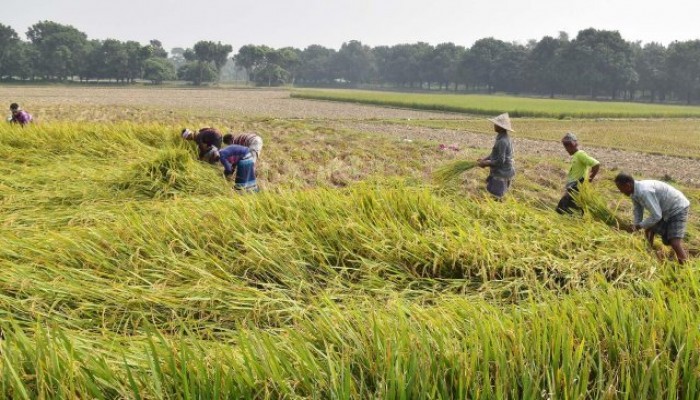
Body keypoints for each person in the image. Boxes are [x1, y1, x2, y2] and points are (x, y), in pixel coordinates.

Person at [614, 173, 690, 264]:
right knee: (649, 229)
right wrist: (635, 225)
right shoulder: (633, 191)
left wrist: (639, 226)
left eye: (621, 188)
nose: (621, 192)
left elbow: (656, 216)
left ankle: (685, 266)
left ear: (627, 185)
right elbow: (638, 210)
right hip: (664, 209)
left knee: (674, 242)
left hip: (677, 207)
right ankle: (648, 253)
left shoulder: (644, 191)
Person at [556, 132, 600, 214]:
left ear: (572, 145)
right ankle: (577, 219)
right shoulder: (576, 155)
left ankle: (574, 220)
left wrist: (588, 181)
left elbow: (596, 164)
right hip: (572, 187)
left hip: (576, 186)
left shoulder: (580, 154)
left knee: (561, 208)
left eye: (567, 147)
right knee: (572, 208)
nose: (566, 149)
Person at [477, 113, 515, 199]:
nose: (494, 125)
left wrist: (486, 164)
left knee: (496, 197)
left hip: (502, 172)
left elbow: (501, 161)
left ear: (501, 127)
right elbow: (494, 154)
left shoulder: (503, 141)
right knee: (493, 193)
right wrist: (484, 159)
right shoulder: (501, 137)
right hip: (501, 170)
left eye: (496, 124)